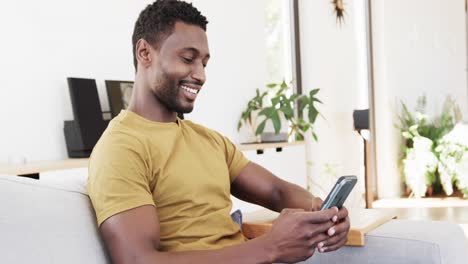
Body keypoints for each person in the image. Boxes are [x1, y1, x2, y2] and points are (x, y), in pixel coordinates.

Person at [87, 1, 350, 263]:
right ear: (145, 53)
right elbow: (137, 260)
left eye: (204, 63)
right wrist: (269, 247)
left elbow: (275, 191)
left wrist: (323, 213)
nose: (200, 75)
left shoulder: (208, 140)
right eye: (188, 59)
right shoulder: (120, 148)